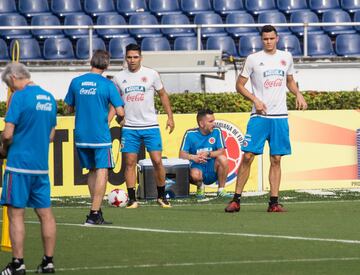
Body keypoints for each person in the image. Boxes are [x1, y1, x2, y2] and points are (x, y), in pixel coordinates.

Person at [225, 25, 308, 213]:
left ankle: (274, 203)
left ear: (277, 38)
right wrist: (255, 100)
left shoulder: (286, 57)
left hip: (280, 117)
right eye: (265, 39)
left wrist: (298, 94)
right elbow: (239, 85)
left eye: (271, 38)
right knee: (247, 156)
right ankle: (236, 200)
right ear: (261, 40)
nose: (268, 41)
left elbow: (289, 81)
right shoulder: (253, 59)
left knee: (276, 159)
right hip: (259, 116)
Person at [0, 63, 57, 274]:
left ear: (14, 78)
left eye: (10, 85)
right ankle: (48, 261)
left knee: (16, 214)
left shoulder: (19, 97)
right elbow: (51, 135)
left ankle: (17, 263)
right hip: (41, 167)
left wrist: (4, 148)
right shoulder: (49, 98)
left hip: (19, 166)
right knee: (46, 214)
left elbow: (7, 134)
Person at [110, 43, 175, 209]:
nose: (132, 60)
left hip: (150, 125)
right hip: (130, 127)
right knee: (130, 163)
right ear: (126, 58)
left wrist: (170, 117)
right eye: (129, 57)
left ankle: (161, 196)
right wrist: (114, 119)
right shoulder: (118, 78)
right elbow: (115, 102)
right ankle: (132, 199)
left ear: (141, 58)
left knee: (157, 161)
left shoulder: (151, 74)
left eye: (135, 57)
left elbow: (163, 94)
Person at [64, 50, 125, 225]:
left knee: (91, 170)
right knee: (102, 170)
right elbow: (120, 111)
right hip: (100, 135)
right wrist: (122, 120)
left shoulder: (76, 82)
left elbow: (67, 108)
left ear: (91, 62)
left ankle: (96, 210)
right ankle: (94, 213)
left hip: (82, 134)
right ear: (106, 65)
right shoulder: (107, 85)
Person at [179, 109, 232, 199]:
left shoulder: (217, 131)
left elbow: (221, 151)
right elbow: (181, 155)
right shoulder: (190, 134)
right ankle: (200, 188)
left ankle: (221, 190)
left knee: (223, 159)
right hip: (197, 167)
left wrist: (208, 154)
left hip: (212, 168)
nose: (214, 124)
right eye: (210, 121)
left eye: (214, 120)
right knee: (195, 174)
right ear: (201, 124)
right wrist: (194, 157)